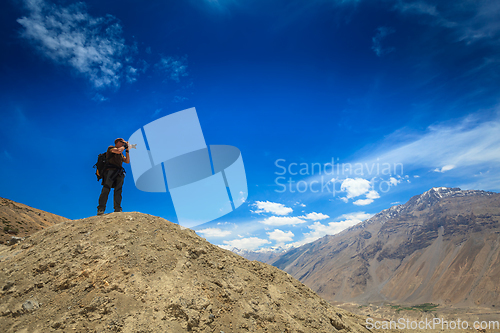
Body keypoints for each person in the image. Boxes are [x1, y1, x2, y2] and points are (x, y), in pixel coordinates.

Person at [97, 138, 130, 215]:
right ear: (118, 142)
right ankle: (101, 209)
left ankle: (117, 209)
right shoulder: (111, 148)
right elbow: (118, 151)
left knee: (118, 190)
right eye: (122, 142)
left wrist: (127, 150)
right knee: (106, 189)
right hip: (110, 172)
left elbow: (127, 161)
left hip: (119, 172)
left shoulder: (121, 154)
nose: (123, 144)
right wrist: (125, 146)